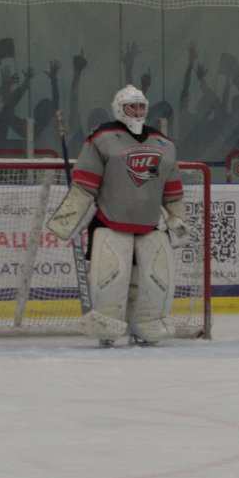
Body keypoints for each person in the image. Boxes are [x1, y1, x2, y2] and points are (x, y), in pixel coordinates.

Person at [45, 84, 186, 346]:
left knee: (156, 279)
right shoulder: (102, 137)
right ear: (118, 109)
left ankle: (147, 327)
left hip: (151, 225)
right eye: (131, 106)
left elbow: (172, 189)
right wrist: (70, 219)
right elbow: (85, 183)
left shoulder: (164, 143)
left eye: (141, 106)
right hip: (109, 222)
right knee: (111, 277)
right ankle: (106, 327)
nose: (137, 111)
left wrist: (177, 218)